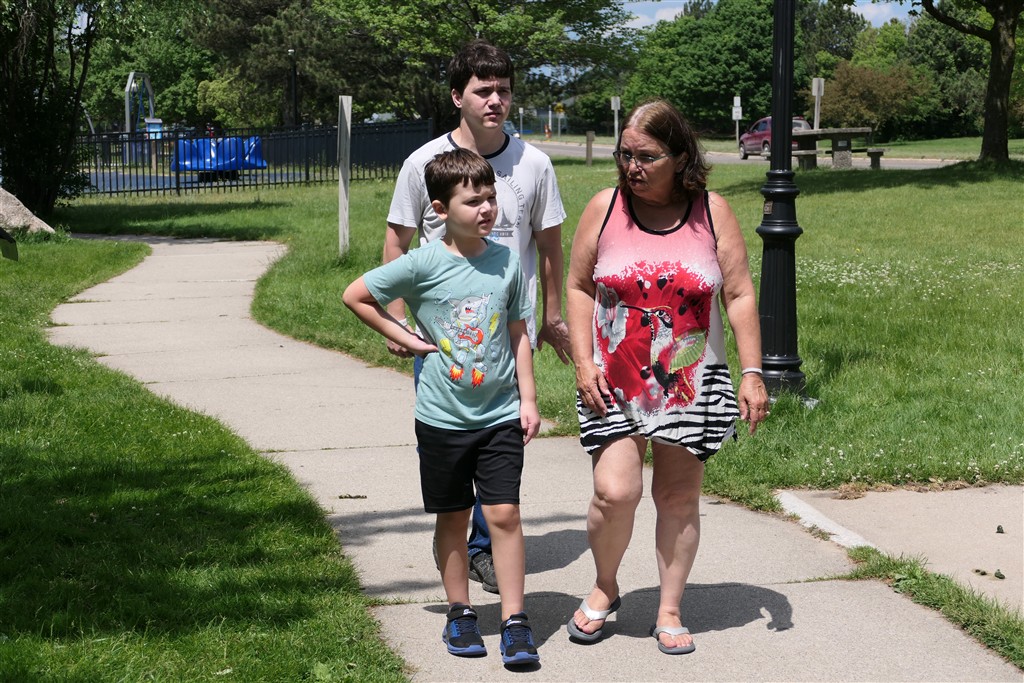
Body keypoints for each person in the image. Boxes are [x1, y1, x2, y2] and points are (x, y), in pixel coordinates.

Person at [564, 99, 770, 655]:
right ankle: (606, 585)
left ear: (680, 157)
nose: (632, 167)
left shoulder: (712, 212)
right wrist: (583, 361)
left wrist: (752, 372)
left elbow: (739, 295)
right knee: (615, 491)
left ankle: (670, 608)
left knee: (678, 496)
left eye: (647, 157)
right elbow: (579, 286)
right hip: (613, 379)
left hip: (690, 382)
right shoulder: (605, 207)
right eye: (625, 154)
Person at [382, 39, 571, 594]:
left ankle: (485, 548)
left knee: (500, 442)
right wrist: (398, 320)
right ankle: (454, 532)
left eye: (504, 91)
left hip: (508, 330)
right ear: (456, 96)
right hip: (441, 338)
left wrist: (552, 316)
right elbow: (397, 241)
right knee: (450, 442)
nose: (495, 101)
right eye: (483, 90)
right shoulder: (423, 164)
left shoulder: (533, 164)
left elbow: (550, 245)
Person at [344, 148, 542, 664]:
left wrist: (528, 398)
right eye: (473, 201)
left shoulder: (506, 263)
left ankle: (516, 620)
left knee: (504, 514)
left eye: (490, 198)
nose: (486, 208)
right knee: (453, 518)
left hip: (499, 414)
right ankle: (461, 613)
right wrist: (404, 336)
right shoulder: (423, 262)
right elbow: (356, 295)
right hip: (442, 418)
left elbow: (518, 333)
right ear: (439, 209)